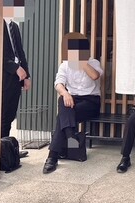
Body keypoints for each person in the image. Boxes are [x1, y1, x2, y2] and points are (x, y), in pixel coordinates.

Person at [43, 33, 103, 174]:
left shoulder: (93, 63)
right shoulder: (65, 65)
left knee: (61, 118)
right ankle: (70, 136)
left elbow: (95, 75)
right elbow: (58, 83)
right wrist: (65, 93)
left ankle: (53, 157)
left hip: (91, 102)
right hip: (73, 100)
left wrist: (81, 62)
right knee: (62, 100)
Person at [1, 0, 31, 159]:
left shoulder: (14, 26)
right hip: (3, 77)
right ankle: (1, 152)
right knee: (2, 115)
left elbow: (20, 52)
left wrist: (27, 76)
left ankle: (7, 149)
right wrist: (14, 67)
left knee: (11, 114)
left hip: (16, 79)